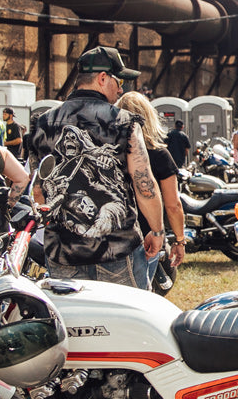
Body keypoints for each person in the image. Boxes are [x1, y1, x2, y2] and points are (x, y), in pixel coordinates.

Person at [25, 46, 164, 288]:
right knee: (129, 321)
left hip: (63, 251)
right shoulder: (124, 122)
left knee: (73, 323)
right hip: (118, 250)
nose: (121, 89)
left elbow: (38, 190)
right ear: (102, 78)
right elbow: (145, 184)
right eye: (118, 81)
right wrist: (157, 230)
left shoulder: (43, 123)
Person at [118, 92, 187, 286]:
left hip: (113, 237)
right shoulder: (159, 155)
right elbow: (173, 205)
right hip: (147, 238)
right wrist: (180, 241)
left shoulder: (110, 153)